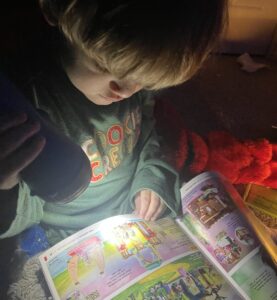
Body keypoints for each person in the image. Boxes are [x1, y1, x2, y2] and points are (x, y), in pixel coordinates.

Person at [0, 0, 227, 248]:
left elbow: (152, 129)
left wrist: (151, 177)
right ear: (55, 8)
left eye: (144, 82)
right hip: (63, 236)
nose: (126, 91)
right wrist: (7, 186)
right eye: (104, 66)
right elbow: (20, 215)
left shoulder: (135, 76)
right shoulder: (29, 98)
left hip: (131, 213)